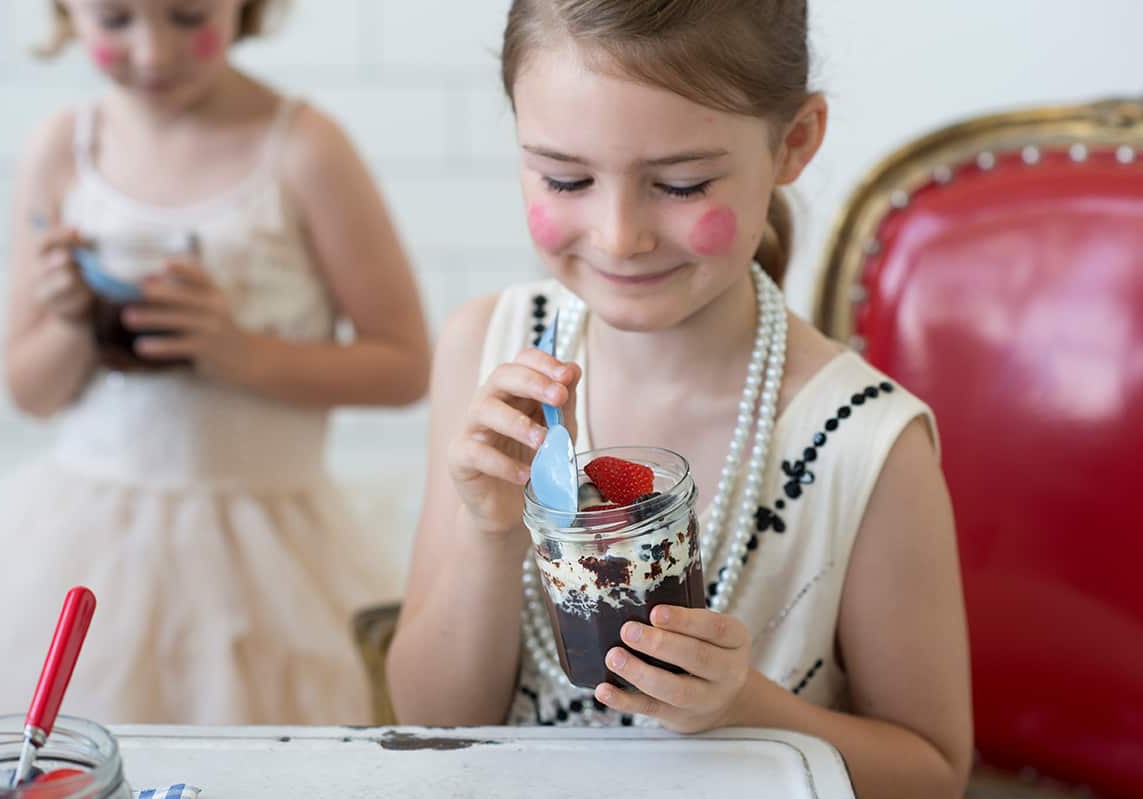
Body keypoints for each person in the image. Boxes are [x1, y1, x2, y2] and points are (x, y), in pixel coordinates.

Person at [388, 1, 972, 795]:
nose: (619, 234)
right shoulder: (482, 352)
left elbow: (933, 772)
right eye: (566, 177)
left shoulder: (865, 442)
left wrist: (744, 704)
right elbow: (432, 723)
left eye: (681, 183)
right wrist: (489, 533)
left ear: (793, 143)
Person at [0, 0, 430, 725]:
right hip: (81, 544)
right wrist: (71, 320)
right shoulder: (62, 149)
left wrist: (239, 353)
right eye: (114, 19)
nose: (153, 52)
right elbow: (30, 391)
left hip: (272, 559)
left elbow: (405, 366)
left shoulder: (304, 147)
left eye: (186, 16)